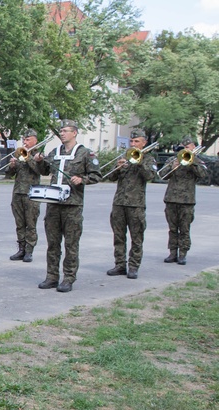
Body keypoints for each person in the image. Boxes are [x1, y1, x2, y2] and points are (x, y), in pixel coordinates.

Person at [36, 120, 101, 293]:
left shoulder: (85, 153)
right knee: (53, 242)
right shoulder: (55, 151)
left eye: (65, 131)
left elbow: (96, 175)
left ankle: (68, 277)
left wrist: (82, 179)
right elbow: (44, 170)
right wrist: (40, 161)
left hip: (72, 205)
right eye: (61, 131)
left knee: (71, 243)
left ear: (74, 133)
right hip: (54, 203)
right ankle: (51, 276)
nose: (62, 133)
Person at [105, 129, 156, 279]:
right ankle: (120, 264)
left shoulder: (148, 159)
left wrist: (139, 163)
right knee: (119, 236)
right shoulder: (124, 157)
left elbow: (150, 176)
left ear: (144, 143)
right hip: (119, 203)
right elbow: (111, 177)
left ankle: (133, 266)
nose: (133, 144)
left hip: (136, 204)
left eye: (136, 142)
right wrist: (117, 167)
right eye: (131, 141)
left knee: (137, 237)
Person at [161, 135, 208, 265]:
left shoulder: (198, 161)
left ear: (194, 147)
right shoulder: (173, 159)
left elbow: (203, 175)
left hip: (187, 201)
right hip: (171, 198)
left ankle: (182, 254)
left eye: (187, 147)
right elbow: (162, 175)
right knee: (172, 228)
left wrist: (192, 162)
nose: (184, 149)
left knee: (185, 228)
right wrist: (172, 167)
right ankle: (172, 253)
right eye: (183, 147)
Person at [5, 128, 45, 263]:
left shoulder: (39, 155)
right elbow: (9, 174)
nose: (25, 142)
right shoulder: (19, 154)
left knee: (31, 223)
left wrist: (28, 157)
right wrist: (11, 166)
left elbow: (39, 170)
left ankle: (29, 250)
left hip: (32, 193)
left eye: (28, 140)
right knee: (19, 223)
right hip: (18, 192)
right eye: (24, 140)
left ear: (35, 140)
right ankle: (21, 249)